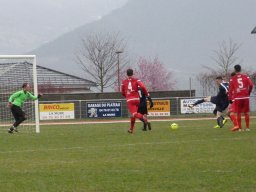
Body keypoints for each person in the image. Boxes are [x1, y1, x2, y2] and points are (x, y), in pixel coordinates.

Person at [121, 69, 150, 133]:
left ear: (127, 74)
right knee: (133, 115)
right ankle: (131, 129)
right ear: (132, 73)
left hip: (130, 100)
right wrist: (147, 94)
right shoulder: (137, 80)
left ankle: (144, 119)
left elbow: (122, 92)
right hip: (137, 99)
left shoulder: (123, 82)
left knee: (134, 114)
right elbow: (143, 87)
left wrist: (127, 95)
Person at [228, 65, 253, 132]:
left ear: (234, 69)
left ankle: (240, 128)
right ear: (240, 69)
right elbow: (251, 85)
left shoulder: (232, 78)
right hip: (245, 97)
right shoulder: (246, 76)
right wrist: (249, 92)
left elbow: (230, 90)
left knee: (238, 113)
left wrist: (230, 98)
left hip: (237, 98)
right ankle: (247, 128)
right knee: (246, 113)